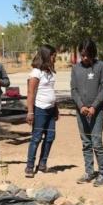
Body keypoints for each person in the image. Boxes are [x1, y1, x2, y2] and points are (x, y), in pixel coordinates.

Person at [71, 39, 103, 186]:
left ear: (93, 53)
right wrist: (81, 106)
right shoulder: (75, 68)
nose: (85, 58)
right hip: (81, 111)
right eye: (83, 55)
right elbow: (73, 90)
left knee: (96, 142)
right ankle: (89, 171)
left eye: (88, 55)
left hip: (97, 112)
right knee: (86, 142)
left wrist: (94, 106)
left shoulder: (101, 66)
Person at [25, 44, 58, 178]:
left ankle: (43, 164)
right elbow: (31, 93)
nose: (55, 59)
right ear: (46, 56)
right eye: (53, 56)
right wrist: (30, 111)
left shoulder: (49, 72)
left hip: (50, 110)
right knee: (36, 137)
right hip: (40, 110)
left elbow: (51, 91)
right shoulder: (36, 73)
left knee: (50, 137)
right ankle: (29, 166)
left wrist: (56, 108)